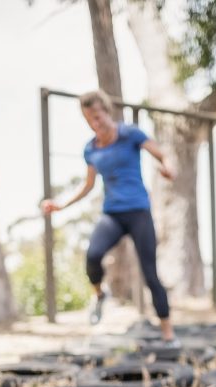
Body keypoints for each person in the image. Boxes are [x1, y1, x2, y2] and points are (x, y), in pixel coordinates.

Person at [41, 90, 180, 346]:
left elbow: (162, 155)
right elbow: (88, 185)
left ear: (106, 111)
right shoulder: (90, 149)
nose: (96, 123)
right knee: (93, 256)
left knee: (150, 274)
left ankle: (168, 334)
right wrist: (61, 204)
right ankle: (99, 294)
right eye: (89, 120)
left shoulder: (130, 134)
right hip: (112, 214)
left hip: (138, 211)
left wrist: (168, 168)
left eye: (98, 116)